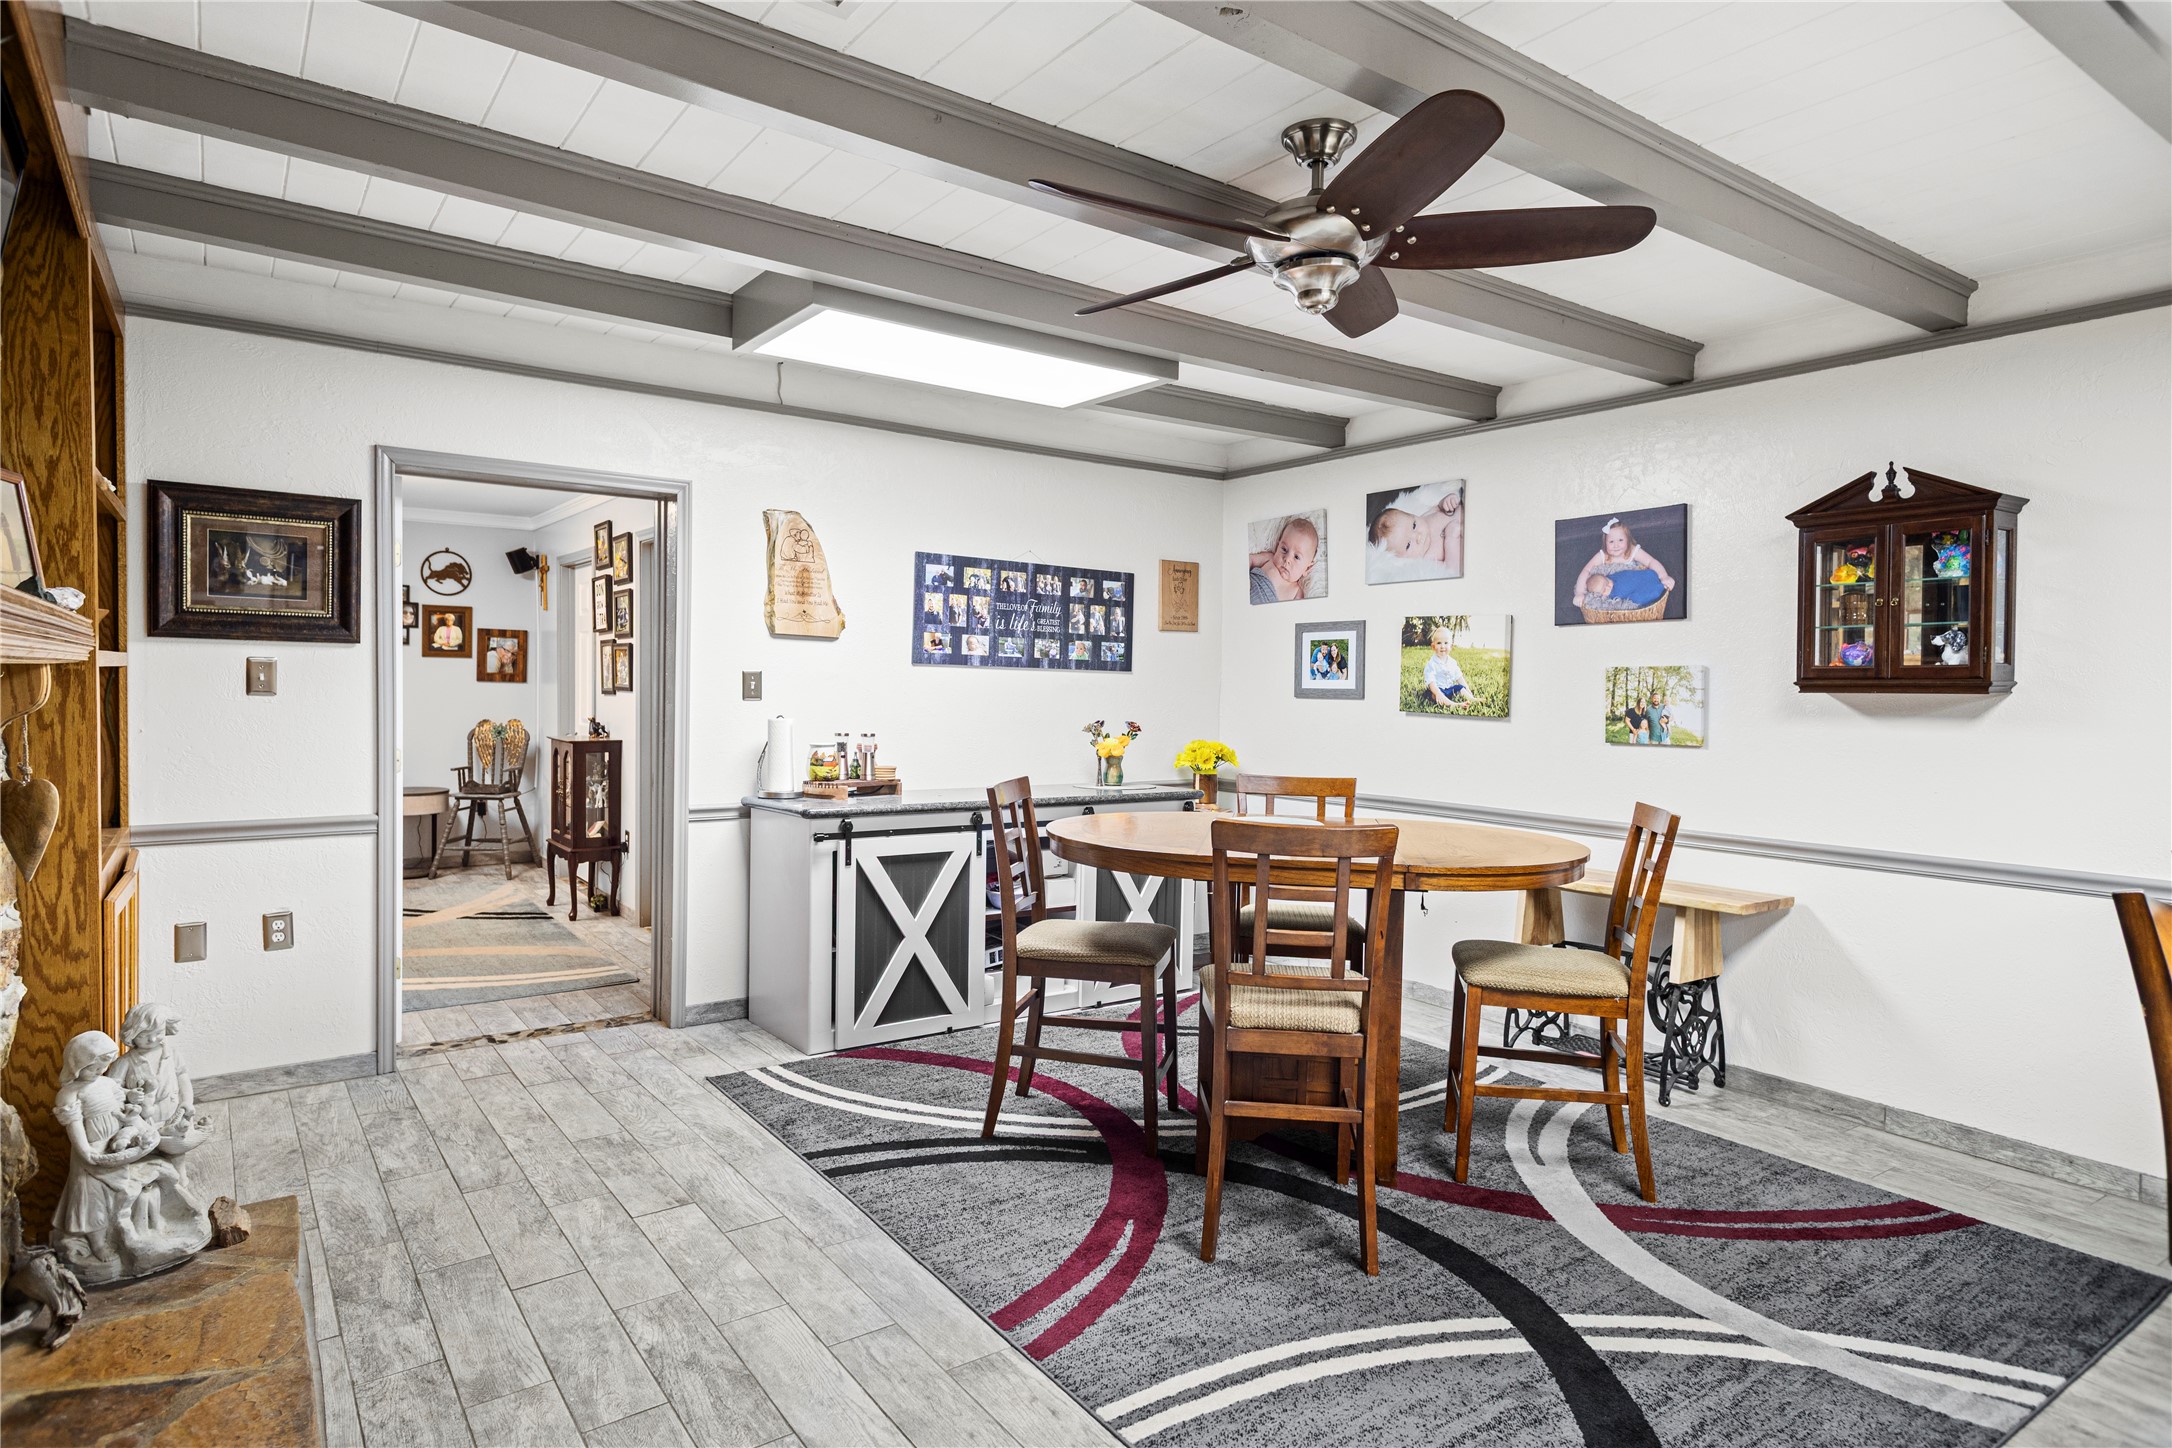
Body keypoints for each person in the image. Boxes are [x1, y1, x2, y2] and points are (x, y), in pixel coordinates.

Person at [1573, 517, 1675, 611]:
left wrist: (1663, 576)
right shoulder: (1602, 556)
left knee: (1649, 576)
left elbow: (1651, 561)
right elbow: (1586, 571)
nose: (1616, 545)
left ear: (1628, 540)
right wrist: (1579, 593)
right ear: (1605, 543)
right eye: (1611, 542)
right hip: (1619, 592)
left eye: (1620, 540)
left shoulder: (1633, 551)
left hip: (1634, 580)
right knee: (1636, 598)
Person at [1370, 488, 1463, 574]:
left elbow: (1439, 507)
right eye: (1408, 545)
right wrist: (1451, 538)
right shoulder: (1428, 559)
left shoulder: (1424, 518)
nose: (1418, 536)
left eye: (1414, 526)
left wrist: (1447, 501)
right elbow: (1452, 569)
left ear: (1413, 515)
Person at [1249, 515, 1320, 603]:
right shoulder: (1270, 559)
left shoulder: (1297, 593)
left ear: (1307, 568)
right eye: (1284, 549)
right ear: (1277, 546)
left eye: (1296, 557)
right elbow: (1250, 559)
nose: (1287, 559)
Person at [1420, 627, 1470, 708]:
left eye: (1446, 643)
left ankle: (1472, 698)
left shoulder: (1452, 662)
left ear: (1451, 646)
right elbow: (1431, 682)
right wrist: (1437, 693)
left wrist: (1467, 689)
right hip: (1437, 690)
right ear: (1433, 646)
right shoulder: (1431, 664)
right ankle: (1453, 705)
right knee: (1434, 695)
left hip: (1449, 689)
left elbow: (1459, 677)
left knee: (1460, 688)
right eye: (1439, 643)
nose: (1442, 646)